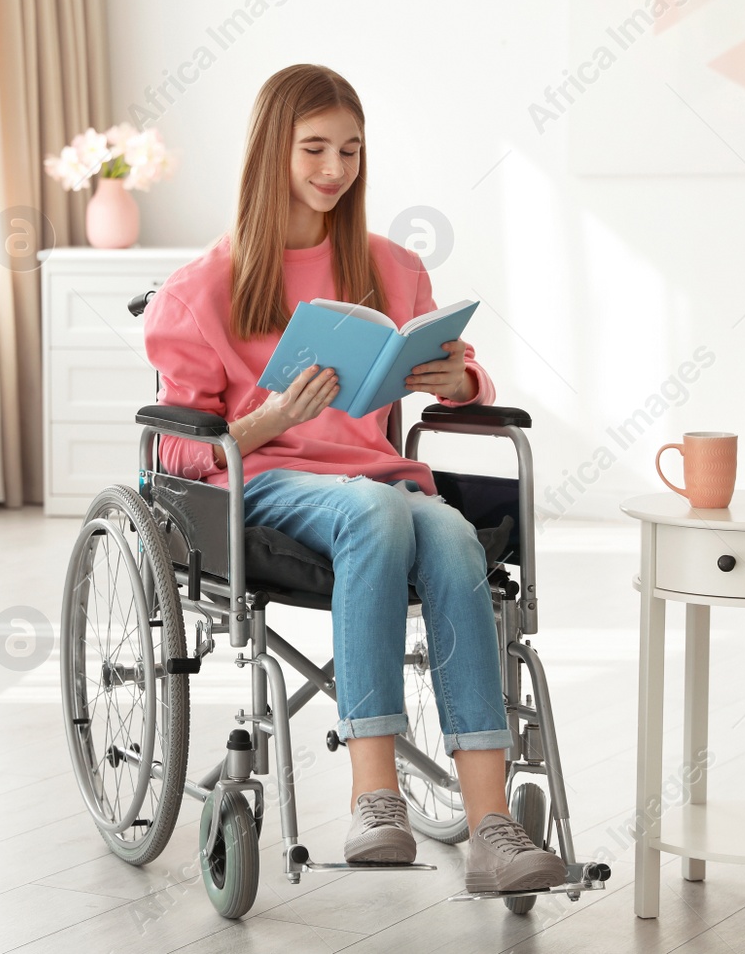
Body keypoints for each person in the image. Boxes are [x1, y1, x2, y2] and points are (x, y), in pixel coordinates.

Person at [141, 64, 566, 894]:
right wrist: (267, 419)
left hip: (379, 482)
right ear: (272, 152)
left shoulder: (391, 268)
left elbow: (463, 370)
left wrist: (458, 382)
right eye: (314, 149)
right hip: (262, 482)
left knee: (445, 526)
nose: (335, 169)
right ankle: (375, 793)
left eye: (350, 150)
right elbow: (178, 452)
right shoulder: (202, 290)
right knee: (384, 509)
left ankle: (491, 827)